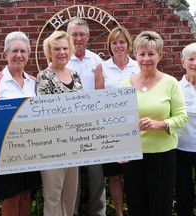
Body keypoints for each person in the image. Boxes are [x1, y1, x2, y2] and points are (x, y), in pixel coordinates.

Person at [121, 30, 188, 216]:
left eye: (151, 54)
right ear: (135, 55)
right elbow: (118, 123)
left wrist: (159, 124)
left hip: (162, 155)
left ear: (159, 55)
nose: (146, 59)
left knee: (160, 207)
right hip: (133, 157)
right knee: (136, 206)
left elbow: (181, 117)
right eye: (141, 54)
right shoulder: (125, 86)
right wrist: (118, 147)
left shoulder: (170, 83)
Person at [0, 31, 41, 216]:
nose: (19, 55)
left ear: (29, 55)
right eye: (14, 51)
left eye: (23, 51)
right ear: (5, 54)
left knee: (26, 194)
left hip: (31, 148)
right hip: (6, 149)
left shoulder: (34, 82)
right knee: (11, 196)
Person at [94, 26, 140, 216]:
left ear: (128, 45)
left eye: (122, 42)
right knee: (114, 176)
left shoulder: (138, 65)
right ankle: (119, 213)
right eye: (115, 42)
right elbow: (99, 99)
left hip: (134, 127)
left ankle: (136, 210)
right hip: (111, 129)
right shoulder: (102, 67)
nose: (118, 46)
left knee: (133, 175)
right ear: (109, 46)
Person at [36, 30, 82, 216]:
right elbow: (44, 111)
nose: (61, 52)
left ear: (70, 50)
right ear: (49, 51)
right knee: (53, 196)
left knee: (70, 194)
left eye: (65, 48)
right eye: (57, 49)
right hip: (53, 147)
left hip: (75, 145)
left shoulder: (76, 75)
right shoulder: (43, 77)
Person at [66, 17, 106, 216]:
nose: (78, 38)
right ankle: (71, 212)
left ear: (88, 37)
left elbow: (100, 92)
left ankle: (98, 213)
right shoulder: (61, 60)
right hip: (70, 128)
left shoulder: (97, 61)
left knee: (96, 174)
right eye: (74, 34)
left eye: (82, 34)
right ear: (68, 37)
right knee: (72, 178)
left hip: (93, 127)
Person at [175, 42, 196, 216]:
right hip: (181, 147)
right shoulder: (176, 88)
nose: (195, 63)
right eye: (191, 59)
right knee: (183, 191)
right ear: (183, 63)